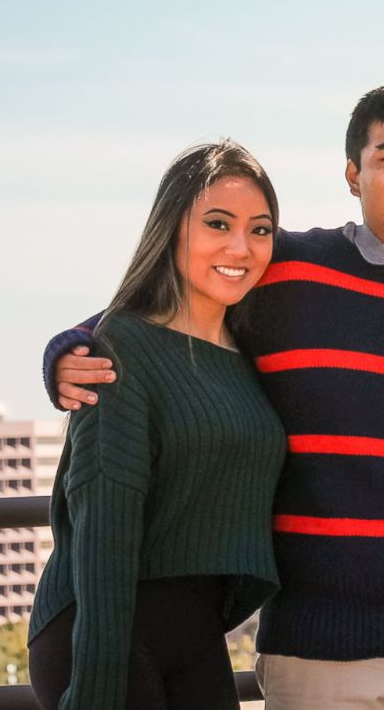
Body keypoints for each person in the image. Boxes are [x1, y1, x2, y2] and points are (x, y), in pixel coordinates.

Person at [43, 83, 384, 710]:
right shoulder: (289, 272)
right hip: (323, 657)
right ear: (352, 174)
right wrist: (71, 345)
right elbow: (175, 299)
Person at [28, 140, 288, 710]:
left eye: (261, 229)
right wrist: (96, 684)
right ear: (172, 229)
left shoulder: (248, 348)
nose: (240, 246)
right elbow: (103, 524)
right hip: (103, 631)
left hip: (195, 631)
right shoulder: (121, 345)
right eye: (218, 224)